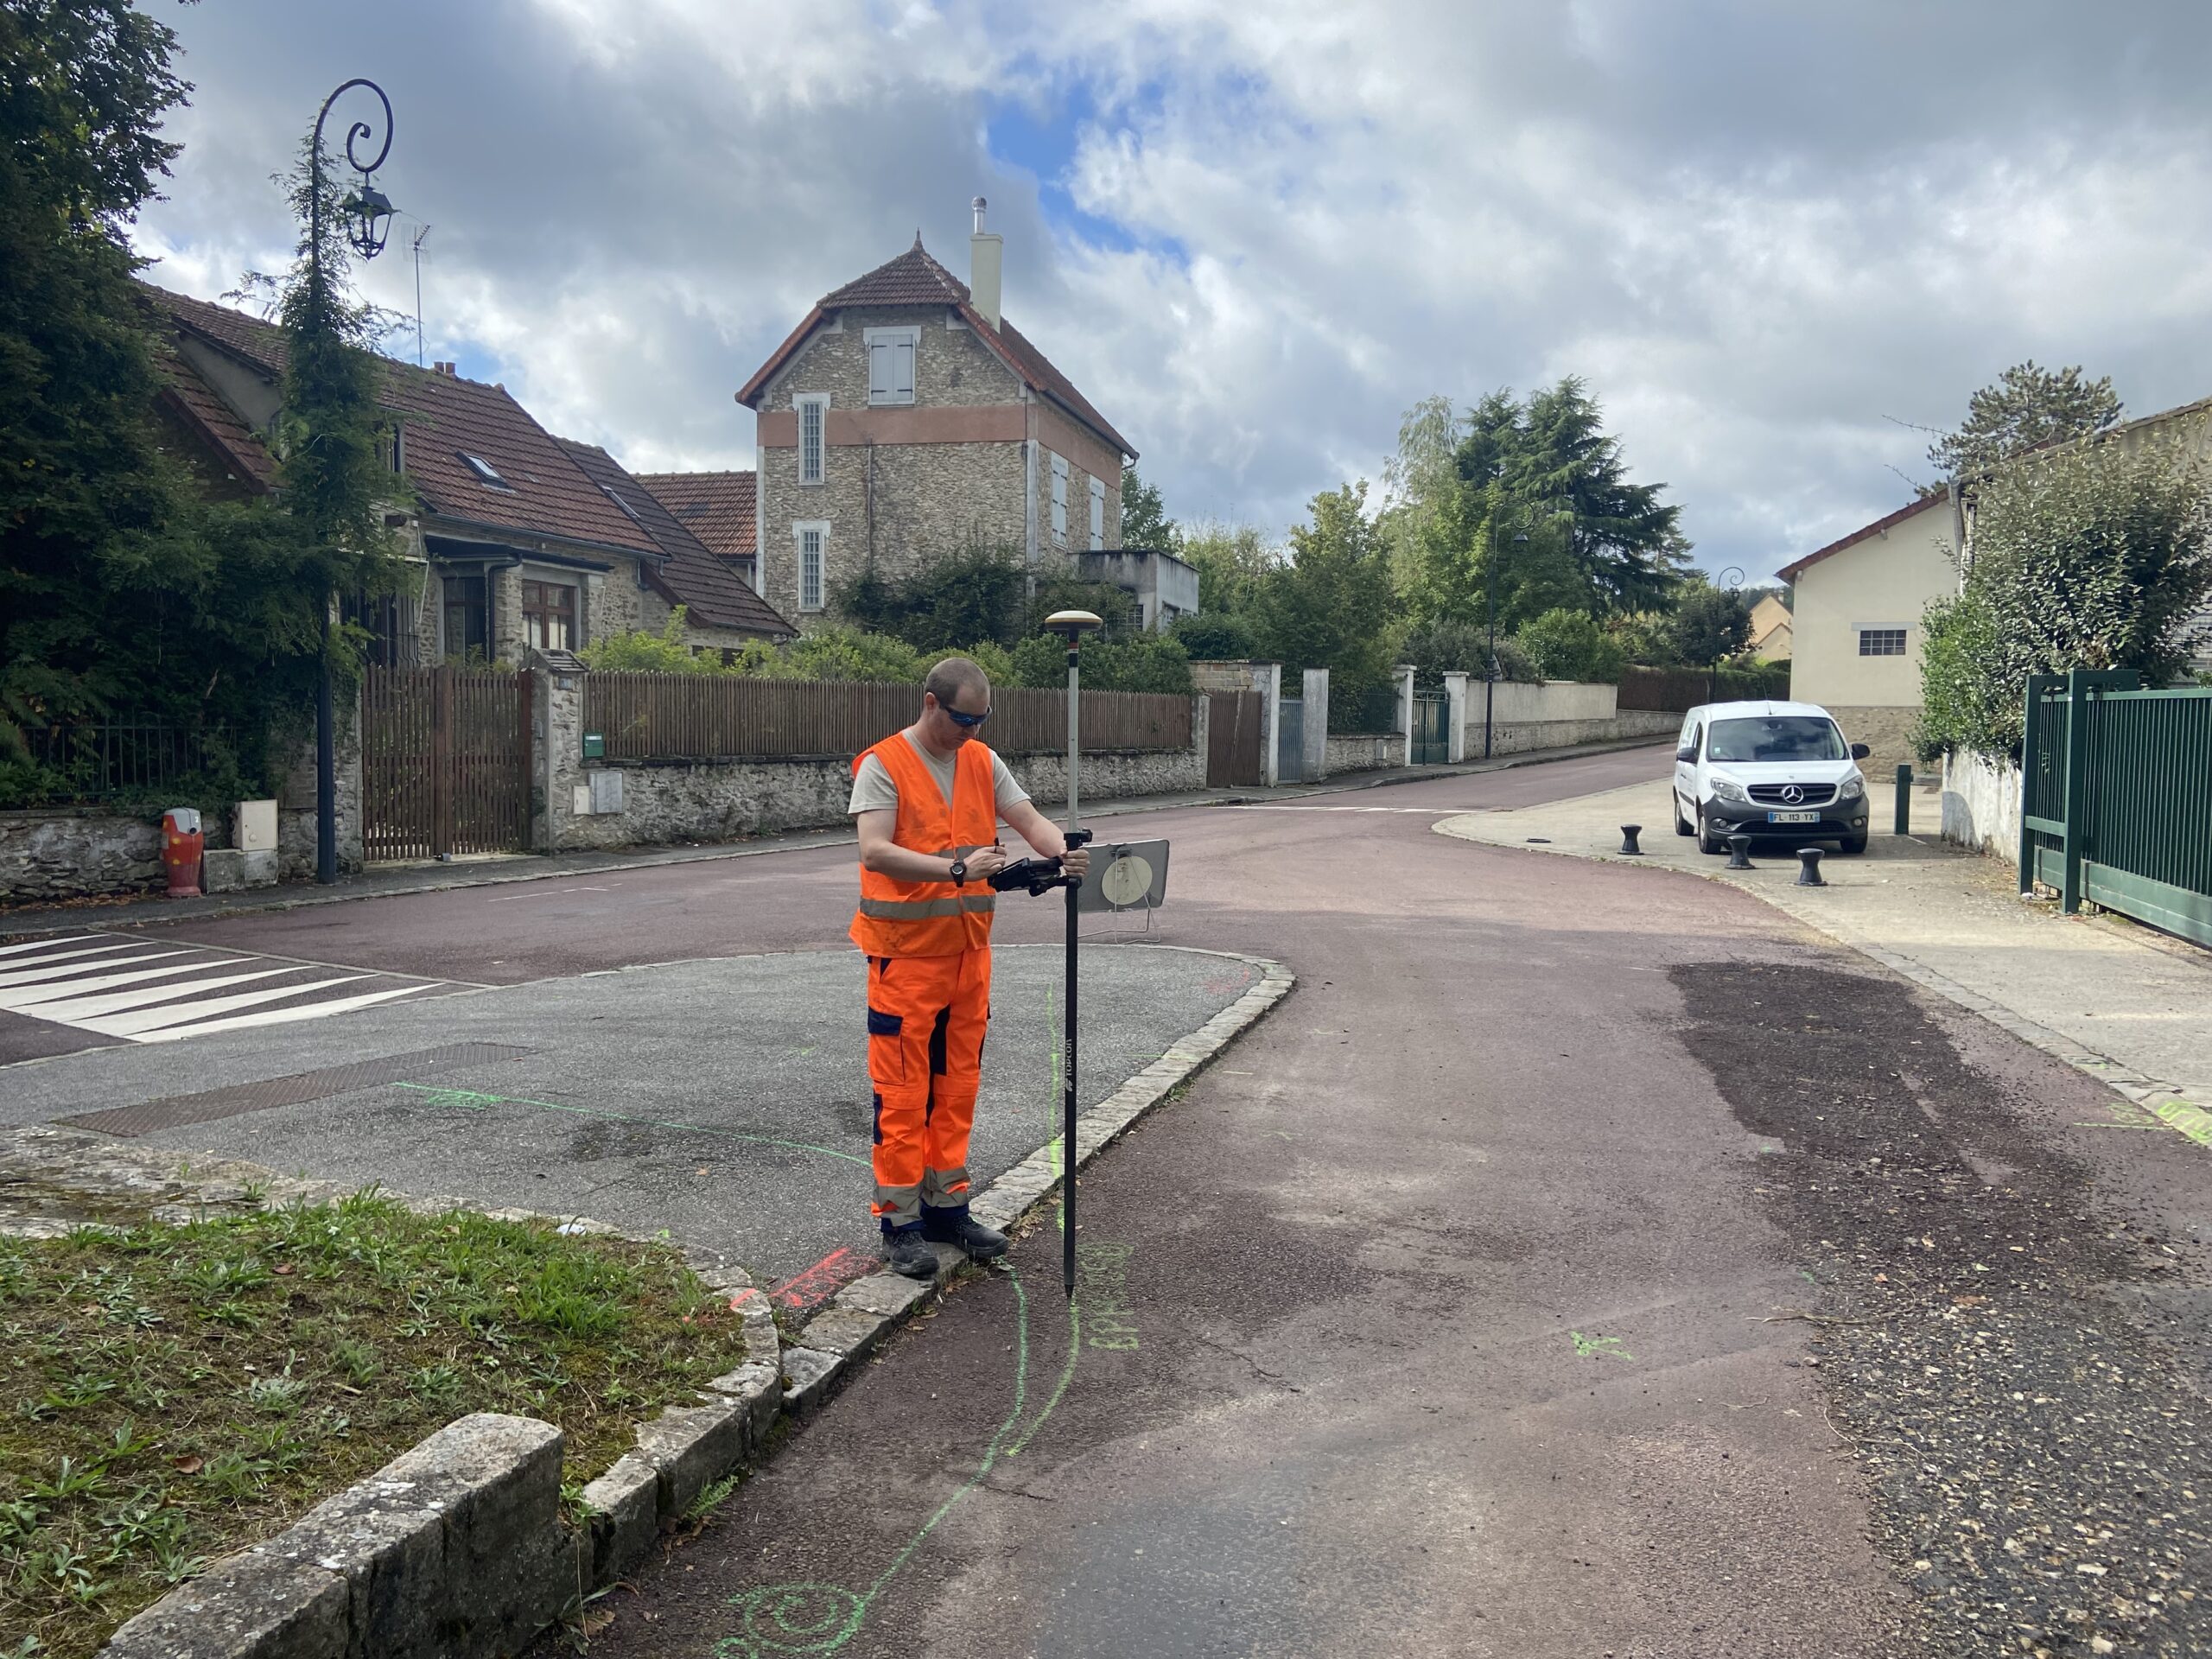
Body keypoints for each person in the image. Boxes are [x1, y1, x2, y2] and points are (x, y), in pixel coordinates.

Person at [849, 656, 1089, 1279]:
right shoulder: (884, 765)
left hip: (968, 955)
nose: (971, 732)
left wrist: (1065, 851)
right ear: (931, 703)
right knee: (903, 1095)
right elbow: (875, 850)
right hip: (903, 959)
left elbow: (1029, 819)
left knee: (956, 1088)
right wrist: (955, 870)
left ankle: (947, 1207)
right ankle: (899, 1224)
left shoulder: (983, 762)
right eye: (962, 719)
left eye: (981, 720)